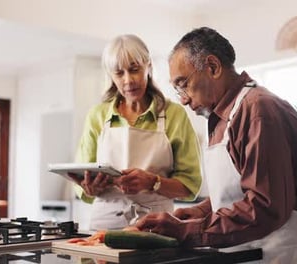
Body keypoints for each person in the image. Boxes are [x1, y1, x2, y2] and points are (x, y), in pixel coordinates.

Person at [134, 27, 297, 263]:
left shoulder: (259, 110)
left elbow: (266, 206)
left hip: (283, 253)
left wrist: (187, 231)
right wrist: (201, 211)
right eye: (177, 89)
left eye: (183, 84)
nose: (182, 99)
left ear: (212, 67)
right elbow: (242, 190)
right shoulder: (225, 116)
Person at [73, 34, 202, 231]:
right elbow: (82, 180)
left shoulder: (174, 115)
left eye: (134, 70)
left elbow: (190, 186)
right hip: (104, 229)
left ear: (148, 66)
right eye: (119, 73)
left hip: (156, 227)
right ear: (111, 75)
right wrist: (89, 188)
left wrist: (153, 182)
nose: (128, 80)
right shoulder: (97, 116)